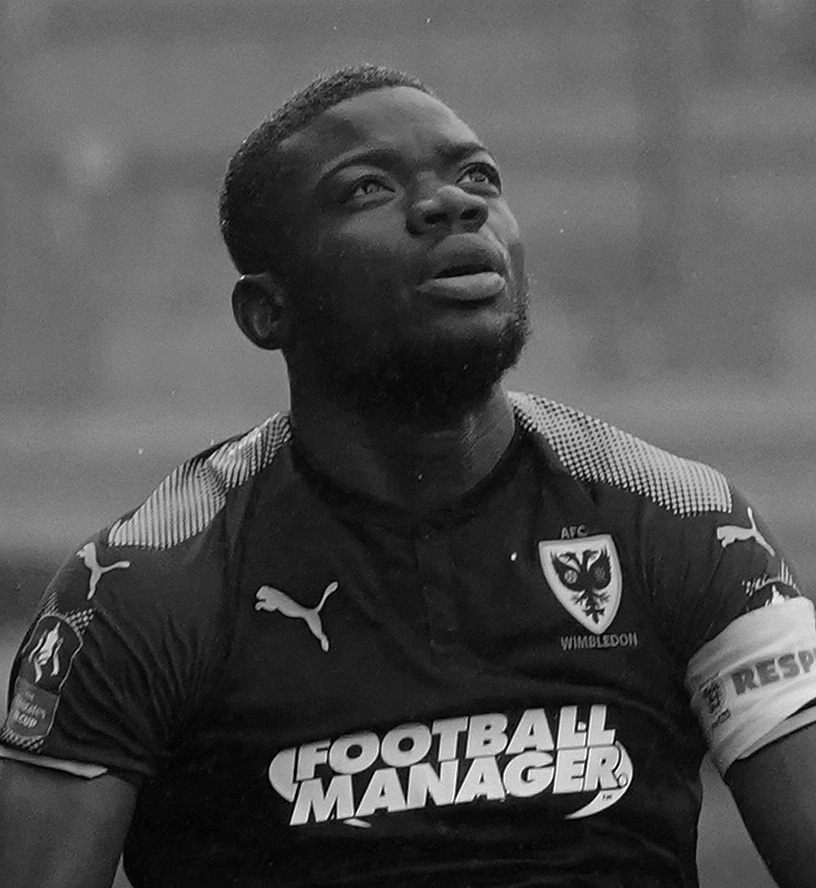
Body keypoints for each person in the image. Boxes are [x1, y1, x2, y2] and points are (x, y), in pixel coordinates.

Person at [0, 64, 814, 888]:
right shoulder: (146, 586)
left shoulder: (684, 524)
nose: (453, 205)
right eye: (368, 188)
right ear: (266, 312)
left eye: (479, 177)